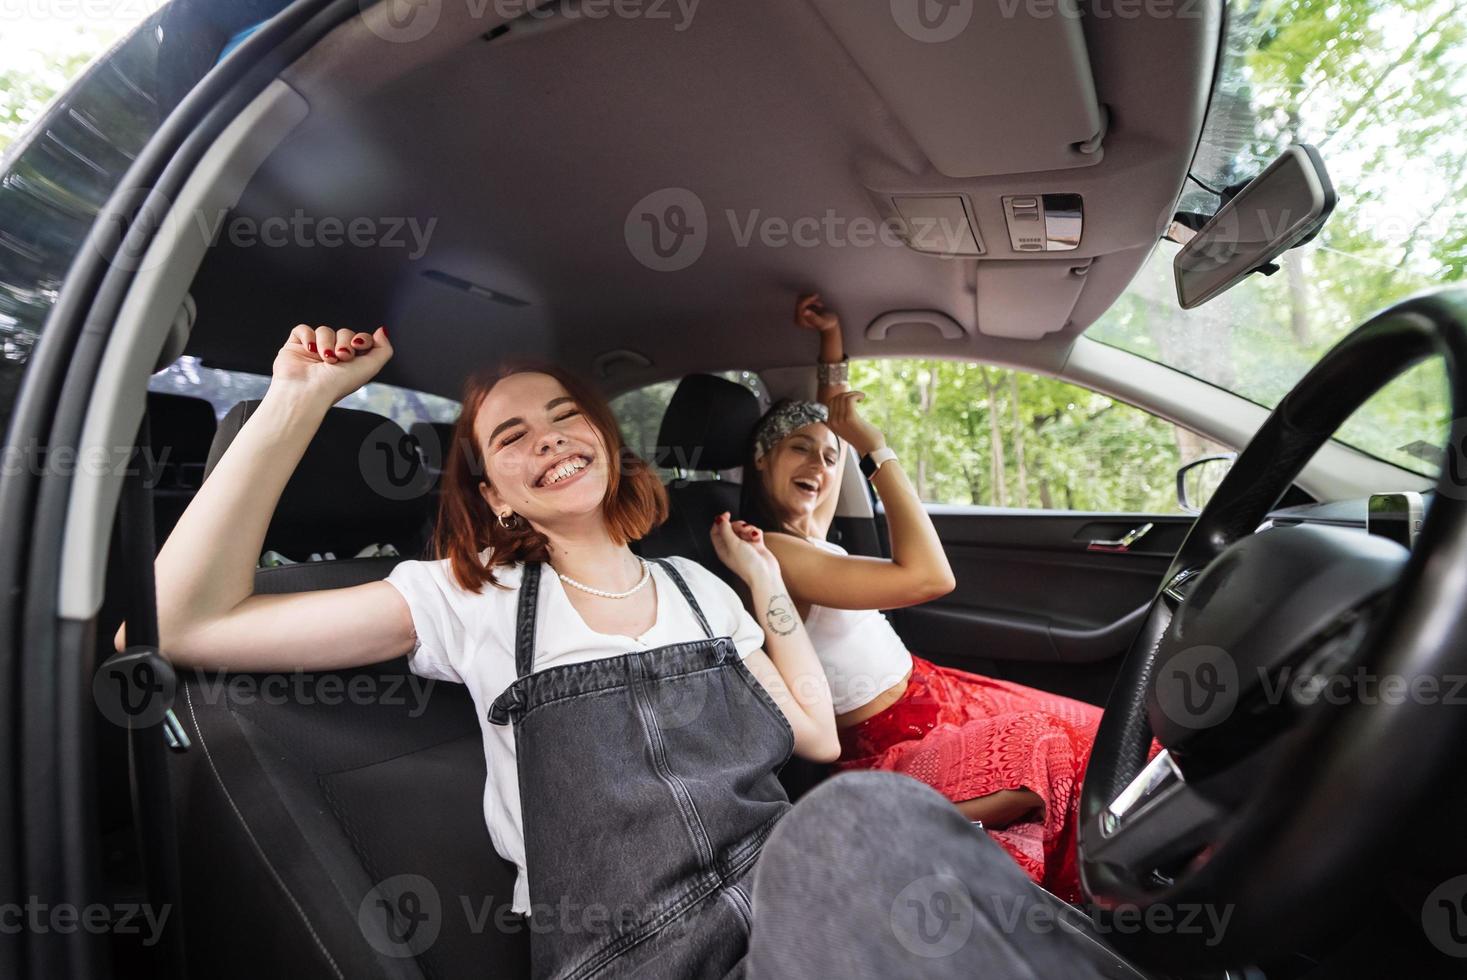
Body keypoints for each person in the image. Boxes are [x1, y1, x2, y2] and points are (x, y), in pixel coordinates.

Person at [120, 323, 1128, 978]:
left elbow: (817, 737)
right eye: (511, 436)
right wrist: (298, 400)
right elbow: (180, 622)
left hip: (790, 910)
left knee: (875, 814)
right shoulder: (465, 598)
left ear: (605, 443)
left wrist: (766, 579)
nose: (549, 436)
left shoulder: (699, 585)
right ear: (492, 493)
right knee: (874, 816)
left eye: (566, 415)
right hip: (636, 956)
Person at [739, 294, 1110, 902]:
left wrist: (832, 341)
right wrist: (872, 444)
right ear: (761, 461)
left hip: (939, 692)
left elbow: (831, 415)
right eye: (798, 449)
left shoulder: (813, 543)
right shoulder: (776, 554)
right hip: (893, 743)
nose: (820, 463)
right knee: (1060, 759)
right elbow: (930, 578)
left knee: (1107, 740)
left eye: (831, 456)